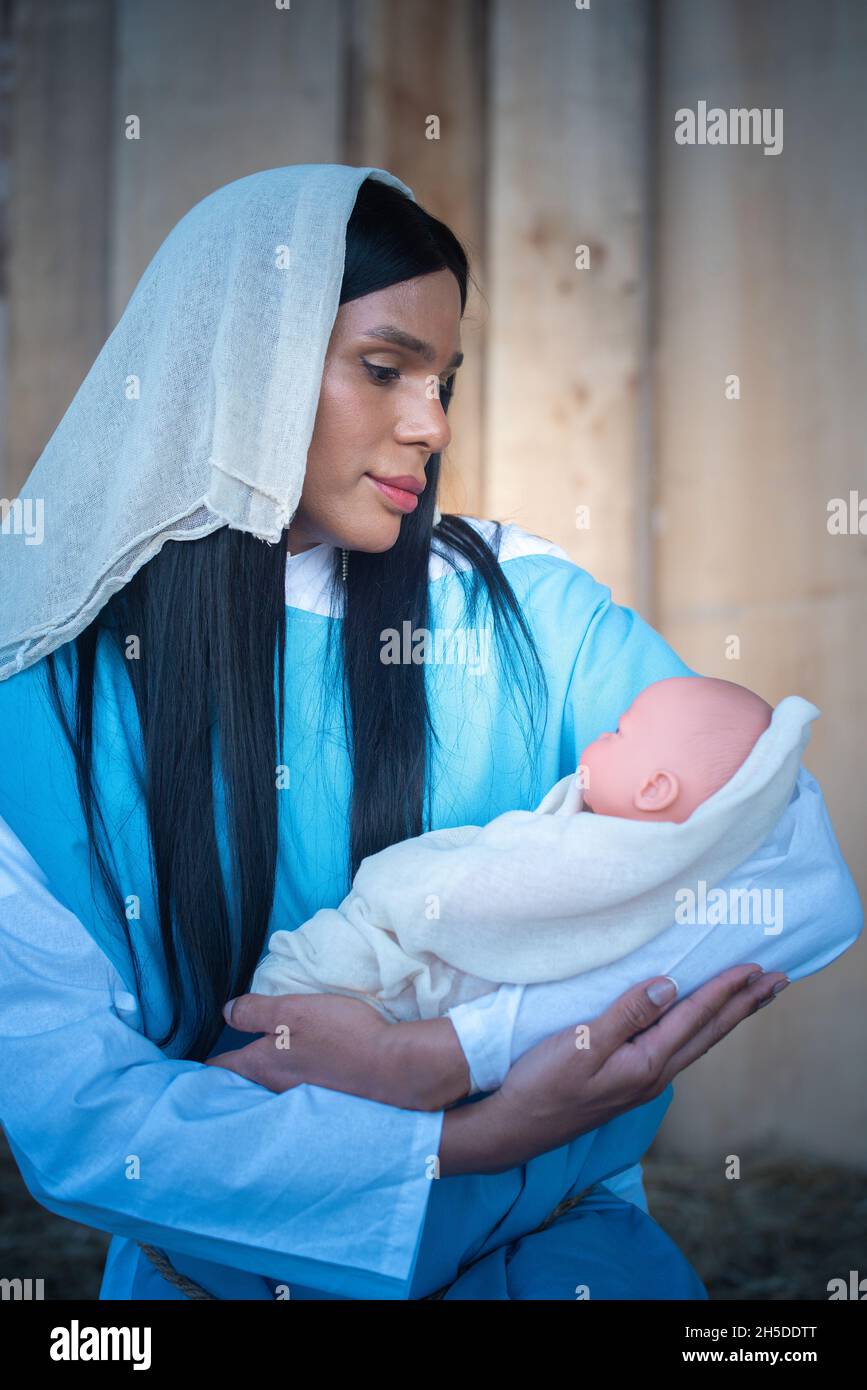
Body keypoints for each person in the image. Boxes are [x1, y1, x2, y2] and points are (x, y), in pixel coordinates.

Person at [0, 165, 860, 1302]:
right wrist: (462, 1139)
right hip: (220, 1278)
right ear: (239, 365)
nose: (432, 421)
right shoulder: (38, 703)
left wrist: (451, 1057)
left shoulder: (529, 604)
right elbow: (81, 1119)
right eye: (383, 368)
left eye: (444, 378)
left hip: (557, 1254)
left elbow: (795, 874)